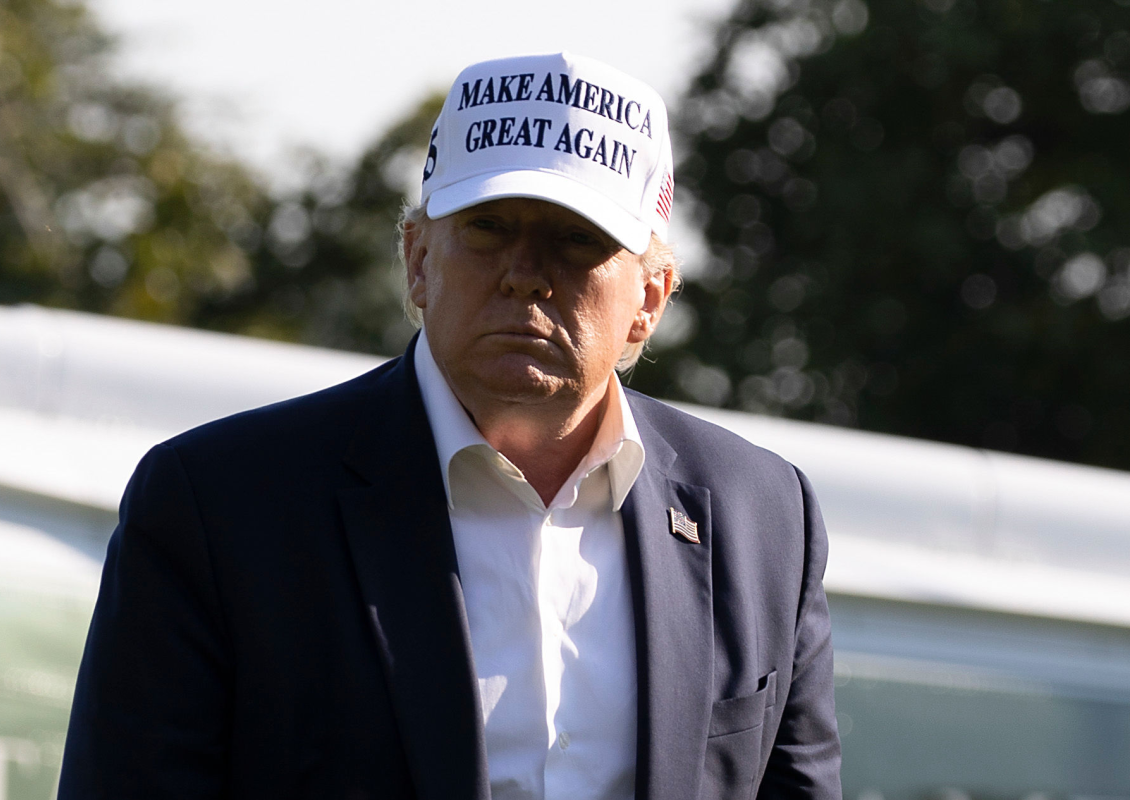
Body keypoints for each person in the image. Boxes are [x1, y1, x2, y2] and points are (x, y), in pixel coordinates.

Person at [59, 52, 841, 800]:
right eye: (489, 226)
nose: (524, 272)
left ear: (650, 297)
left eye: (577, 239)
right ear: (418, 259)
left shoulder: (764, 517)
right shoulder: (220, 506)